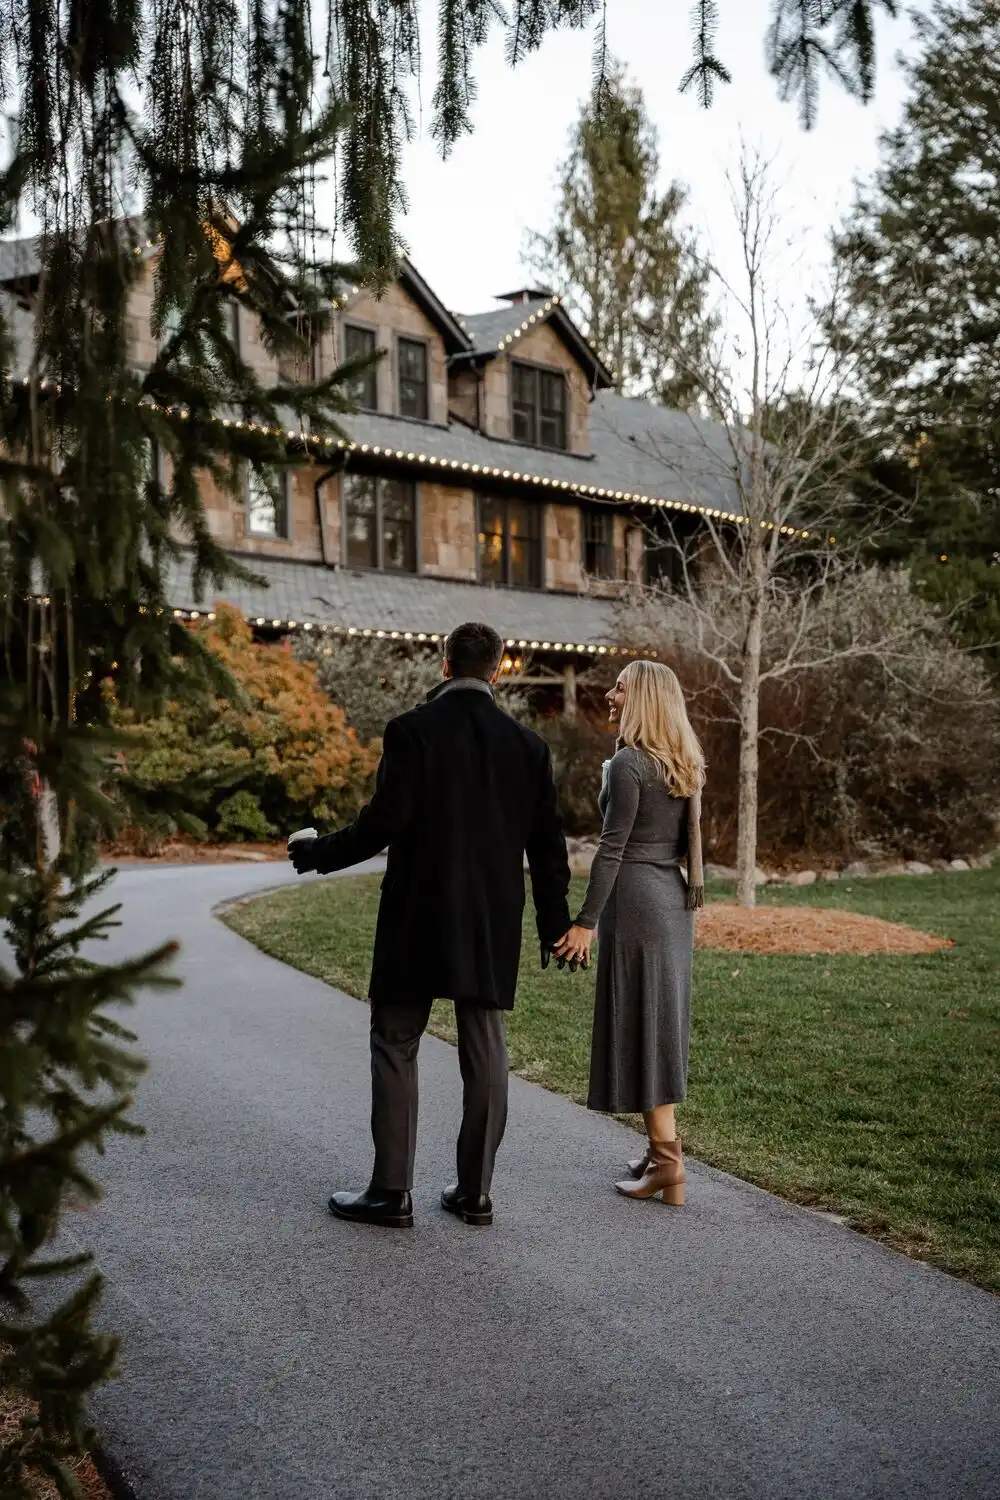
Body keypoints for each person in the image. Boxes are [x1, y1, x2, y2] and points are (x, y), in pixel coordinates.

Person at [288, 621, 572, 1230]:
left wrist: (316, 853)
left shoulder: (411, 731)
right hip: (489, 921)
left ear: (445, 664)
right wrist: (555, 925)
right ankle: (475, 1193)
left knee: (395, 1042)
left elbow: (379, 825)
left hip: (417, 912)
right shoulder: (528, 747)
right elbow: (548, 849)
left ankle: (391, 1193)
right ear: (497, 670)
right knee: (485, 1047)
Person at [554, 659, 705, 1207]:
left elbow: (612, 848)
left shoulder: (629, 764)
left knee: (644, 1022)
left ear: (639, 697)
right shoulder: (683, 761)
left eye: (619, 686)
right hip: (672, 901)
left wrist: (585, 921)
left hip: (637, 901)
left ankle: (668, 1164)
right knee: (660, 1019)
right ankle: (661, 1152)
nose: (610, 693)